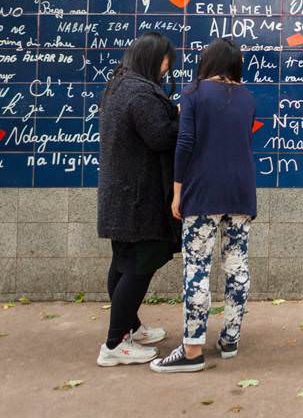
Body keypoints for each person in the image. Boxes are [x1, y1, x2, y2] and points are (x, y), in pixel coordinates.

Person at [151, 38, 257, 373]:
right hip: (241, 192)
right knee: (237, 266)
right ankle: (230, 338)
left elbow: (185, 143)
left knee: (197, 269)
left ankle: (192, 349)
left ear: (207, 62)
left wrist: (177, 191)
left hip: (203, 192)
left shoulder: (194, 92)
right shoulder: (247, 97)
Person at [96, 32, 180, 366]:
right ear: (151, 59)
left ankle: (129, 327)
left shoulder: (120, 85)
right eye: (164, 61)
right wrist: (181, 115)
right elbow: (160, 137)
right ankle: (114, 344)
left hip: (123, 195)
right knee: (140, 265)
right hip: (139, 198)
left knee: (124, 261)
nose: (166, 68)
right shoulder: (141, 92)